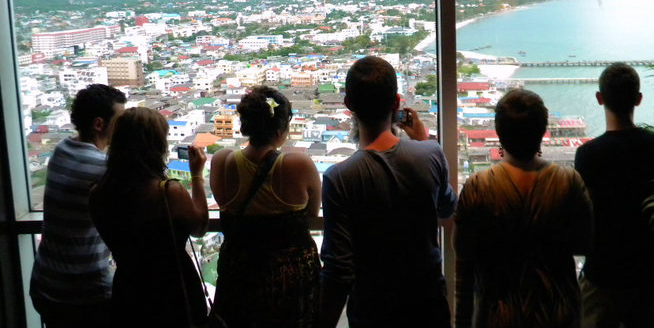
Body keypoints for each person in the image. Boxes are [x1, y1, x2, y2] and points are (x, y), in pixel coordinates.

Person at [319, 56, 457, 328]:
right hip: (428, 307)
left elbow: (338, 270)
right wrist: (422, 141)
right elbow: (447, 207)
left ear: (348, 105)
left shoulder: (339, 178)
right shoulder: (431, 154)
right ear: (396, 103)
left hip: (372, 312)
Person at [454, 88, 593, 328]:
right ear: (543, 130)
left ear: (499, 132)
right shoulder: (568, 182)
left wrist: (462, 321)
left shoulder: (478, 186)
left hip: (498, 315)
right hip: (557, 312)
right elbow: (585, 243)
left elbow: (464, 270)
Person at [574, 62, 654, 327]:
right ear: (638, 99)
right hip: (648, 269)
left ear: (599, 98)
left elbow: (580, 215)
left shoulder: (588, 155)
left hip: (602, 272)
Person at [210, 86, 321, 327]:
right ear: (281, 129)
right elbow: (312, 213)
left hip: (240, 272)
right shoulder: (298, 164)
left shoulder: (223, 161)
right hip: (290, 277)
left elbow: (224, 205)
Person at [90, 107, 209, 327]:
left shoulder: (98, 195)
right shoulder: (167, 193)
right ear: (156, 145)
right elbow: (199, 227)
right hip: (173, 290)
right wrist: (197, 176)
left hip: (128, 290)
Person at [30, 84, 126, 328]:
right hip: (82, 292)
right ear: (99, 124)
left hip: (45, 282)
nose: (123, 127)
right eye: (119, 120)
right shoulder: (102, 167)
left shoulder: (61, 150)